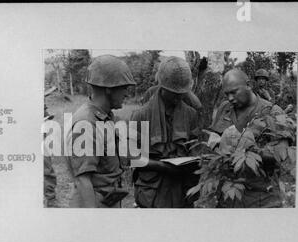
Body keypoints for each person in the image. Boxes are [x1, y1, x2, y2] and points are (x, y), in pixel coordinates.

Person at [66, 55, 136, 208]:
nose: (127, 94)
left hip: (107, 199)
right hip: (93, 202)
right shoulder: (86, 122)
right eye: (124, 88)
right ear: (109, 90)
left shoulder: (105, 117)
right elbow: (83, 180)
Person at [130, 57, 200, 208]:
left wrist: (195, 161)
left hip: (181, 190)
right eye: (174, 93)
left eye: (182, 93)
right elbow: (132, 157)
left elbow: (194, 147)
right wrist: (161, 166)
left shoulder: (191, 115)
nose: (178, 97)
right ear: (161, 87)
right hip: (153, 192)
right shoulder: (141, 115)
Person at [210, 69, 285, 208]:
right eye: (227, 94)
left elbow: (281, 154)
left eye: (234, 92)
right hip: (228, 194)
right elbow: (214, 136)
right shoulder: (225, 107)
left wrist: (248, 151)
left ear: (249, 85)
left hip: (261, 197)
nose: (230, 98)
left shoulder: (273, 112)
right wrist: (218, 146)